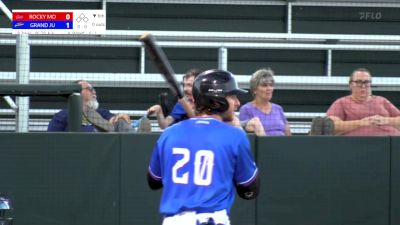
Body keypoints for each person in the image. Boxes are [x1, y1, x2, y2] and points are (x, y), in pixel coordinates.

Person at [147, 69, 260, 225]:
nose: (237, 103)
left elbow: (154, 181)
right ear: (217, 101)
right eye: (232, 96)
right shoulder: (234, 136)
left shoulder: (169, 134)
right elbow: (250, 190)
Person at [327, 68, 400, 136]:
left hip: (392, 143)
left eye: (367, 82)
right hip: (358, 144)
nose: (363, 86)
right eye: (359, 82)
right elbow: (331, 126)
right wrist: (360, 123)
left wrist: (386, 120)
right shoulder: (341, 103)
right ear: (350, 85)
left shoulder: (382, 100)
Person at [47, 80, 131, 132]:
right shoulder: (63, 115)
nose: (94, 92)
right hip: (80, 148)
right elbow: (50, 139)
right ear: (76, 92)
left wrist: (119, 116)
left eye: (94, 89)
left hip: (104, 148)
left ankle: (138, 140)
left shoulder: (101, 112)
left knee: (120, 122)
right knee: (95, 131)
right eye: (89, 89)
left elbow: (112, 119)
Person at [239, 68, 291, 136]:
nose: (269, 89)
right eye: (264, 85)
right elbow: (245, 136)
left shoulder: (278, 109)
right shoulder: (246, 109)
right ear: (254, 89)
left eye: (271, 85)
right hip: (262, 146)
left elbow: (288, 135)